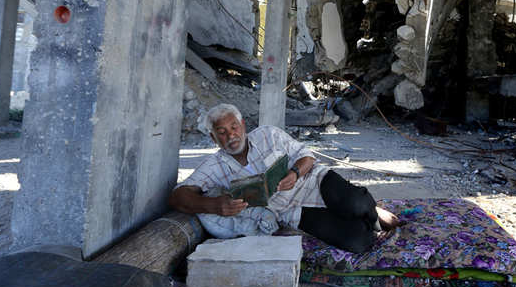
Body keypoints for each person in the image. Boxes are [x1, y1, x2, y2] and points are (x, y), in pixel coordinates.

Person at [169, 103, 399, 253]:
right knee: (358, 242)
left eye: (234, 127)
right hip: (291, 210)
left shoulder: (268, 134)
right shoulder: (215, 165)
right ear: (213, 138)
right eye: (222, 132)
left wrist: (295, 172)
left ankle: (371, 210)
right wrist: (214, 205)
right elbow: (178, 196)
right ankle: (361, 213)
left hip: (313, 182)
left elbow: (306, 156)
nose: (231, 135)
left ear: (243, 125)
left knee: (357, 203)